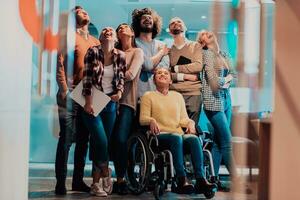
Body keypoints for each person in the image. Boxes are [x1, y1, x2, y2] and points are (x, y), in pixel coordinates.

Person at [139, 68, 217, 195]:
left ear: (170, 80)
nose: (162, 74)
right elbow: (143, 119)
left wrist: (190, 123)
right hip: (160, 136)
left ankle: (200, 179)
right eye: (159, 73)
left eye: (166, 73)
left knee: (193, 138)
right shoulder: (148, 96)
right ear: (154, 80)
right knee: (176, 137)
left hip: (178, 136)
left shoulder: (177, 96)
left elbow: (183, 119)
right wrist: (151, 120)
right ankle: (181, 178)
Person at [55, 6, 99, 195]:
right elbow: (60, 62)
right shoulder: (68, 37)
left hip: (89, 94)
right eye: (79, 11)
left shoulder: (96, 41)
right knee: (66, 139)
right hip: (71, 92)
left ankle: (78, 181)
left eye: (85, 10)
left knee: (84, 140)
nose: (84, 12)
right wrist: (64, 88)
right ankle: (60, 182)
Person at [82, 27, 126, 197]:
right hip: (92, 100)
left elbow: (121, 78)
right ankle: (107, 173)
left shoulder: (120, 55)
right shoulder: (92, 52)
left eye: (111, 31)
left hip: (109, 102)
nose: (108, 31)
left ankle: (95, 184)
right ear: (100, 38)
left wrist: (120, 92)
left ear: (115, 38)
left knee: (101, 143)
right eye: (104, 31)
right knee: (100, 141)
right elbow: (86, 78)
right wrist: (87, 102)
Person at [197, 30, 237, 192]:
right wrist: (227, 80)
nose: (207, 33)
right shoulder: (206, 54)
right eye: (204, 34)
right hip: (212, 101)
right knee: (227, 142)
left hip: (226, 99)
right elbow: (213, 80)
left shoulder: (225, 54)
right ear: (204, 42)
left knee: (219, 143)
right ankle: (238, 180)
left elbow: (236, 75)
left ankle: (213, 179)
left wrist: (227, 80)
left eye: (208, 32)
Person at [111, 23, 144, 195]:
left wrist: (108, 74)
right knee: (110, 141)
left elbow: (131, 75)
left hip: (126, 101)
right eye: (119, 28)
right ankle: (112, 178)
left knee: (121, 139)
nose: (122, 29)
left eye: (125, 27)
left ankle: (121, 179)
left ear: (132, 32)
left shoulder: (137, 52)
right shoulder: (112, 52)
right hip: (108, 101)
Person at [168, 17, 203, 134]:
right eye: (172, 23)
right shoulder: (168, 51)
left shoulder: (195, 46)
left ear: (185, 28)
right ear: (169, 30)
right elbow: (167, 74)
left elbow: (198, 66)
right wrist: (186, 76)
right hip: (174, 93)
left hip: (193, 93)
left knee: (191, 130)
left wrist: (176, 68)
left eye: (179, 21)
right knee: (176, 130)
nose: (176, 24)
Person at [131, 7, 170, 98]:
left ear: (155, 23)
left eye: (150, 18)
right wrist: (161, 53)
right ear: (138, 23)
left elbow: (164, 68)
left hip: (158, 93)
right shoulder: (133, 43)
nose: (147, 19)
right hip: (138, 94)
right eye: (144, 18)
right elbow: (147, 65)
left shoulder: (162, 44)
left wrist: (148, 65)